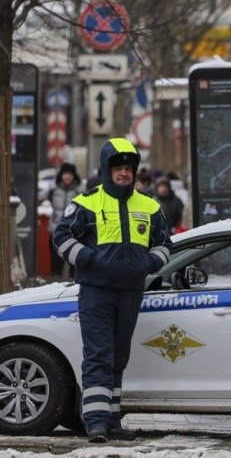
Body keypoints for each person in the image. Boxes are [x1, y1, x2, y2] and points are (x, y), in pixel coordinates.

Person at [53, 137, 172, 443]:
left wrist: (148, 263)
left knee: (119, 358)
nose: (124, 172)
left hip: (130, 293)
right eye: (118, 167)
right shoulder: (86, 203)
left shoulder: (149, 205)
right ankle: (95, 422)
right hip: (96, 292)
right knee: (99, 356)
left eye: (129, 167)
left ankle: (112, 419)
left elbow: (165, 244)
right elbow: (62, 238)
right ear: (107, 170)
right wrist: (90, 259)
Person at [48, 162, 84, 278]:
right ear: (61, 175)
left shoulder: (80, 191)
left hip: (74, 233)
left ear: (74, 175)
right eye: (65, 174)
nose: (67, 176)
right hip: (55, 230)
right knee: (56, 265)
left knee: (73, 264)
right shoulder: (53, 189)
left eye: (70, 174)